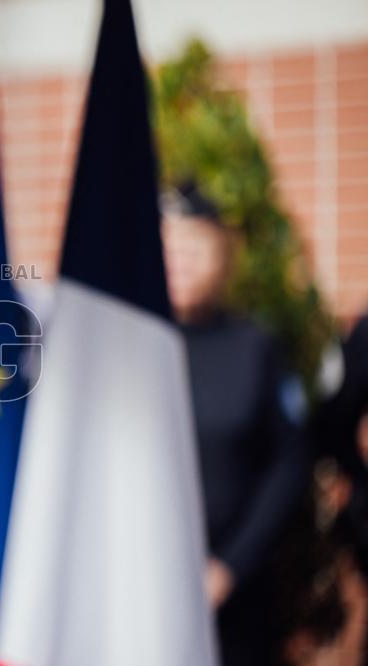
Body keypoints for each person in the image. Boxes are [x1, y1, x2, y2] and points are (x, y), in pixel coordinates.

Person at [161, 181, 310, 666]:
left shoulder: (253, 347)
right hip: (142, 589)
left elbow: (289, 465)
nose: (180, 260)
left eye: (194, 246)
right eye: (169, 246)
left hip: (236, 601)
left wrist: (228, 568)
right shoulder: (130, 349)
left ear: (221, 254)